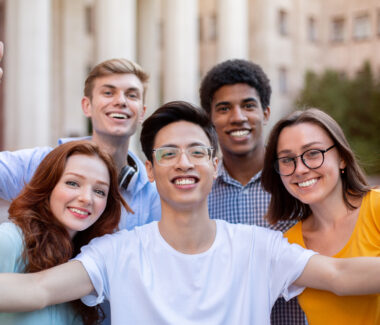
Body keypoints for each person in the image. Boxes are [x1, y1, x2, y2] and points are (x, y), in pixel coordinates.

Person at [1, 101, 380, 325]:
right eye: (168, 154)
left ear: (215, 165)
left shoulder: (260, 248)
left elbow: (340, 274)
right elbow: (39, 289)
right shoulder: (114, 252)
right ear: (150, 169)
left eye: (197, 152)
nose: (184, 163)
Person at [0, 57, 160, 230]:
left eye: (131, 95)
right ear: (87, 106)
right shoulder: (41, 163)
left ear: (142, 113)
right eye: (108, 93)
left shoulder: (154, 194)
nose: (121, 101)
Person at [199, 59, 304, 324]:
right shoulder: (198, 193)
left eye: (248, 105)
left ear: (266, 113)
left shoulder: (299, 182)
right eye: (224, 108)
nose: (238, 117)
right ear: (210, 120)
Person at [261, 108, 380, 324]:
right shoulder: (289, 242)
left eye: (313, 153)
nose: (300, 169)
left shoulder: (376, 207)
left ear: (342, 158)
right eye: (287, 160)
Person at [0, 140, 129, 324]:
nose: (86, 198)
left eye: (99, 191)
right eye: (73, 183)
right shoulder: (10, 240)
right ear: (49, 185)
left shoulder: (92, 258)